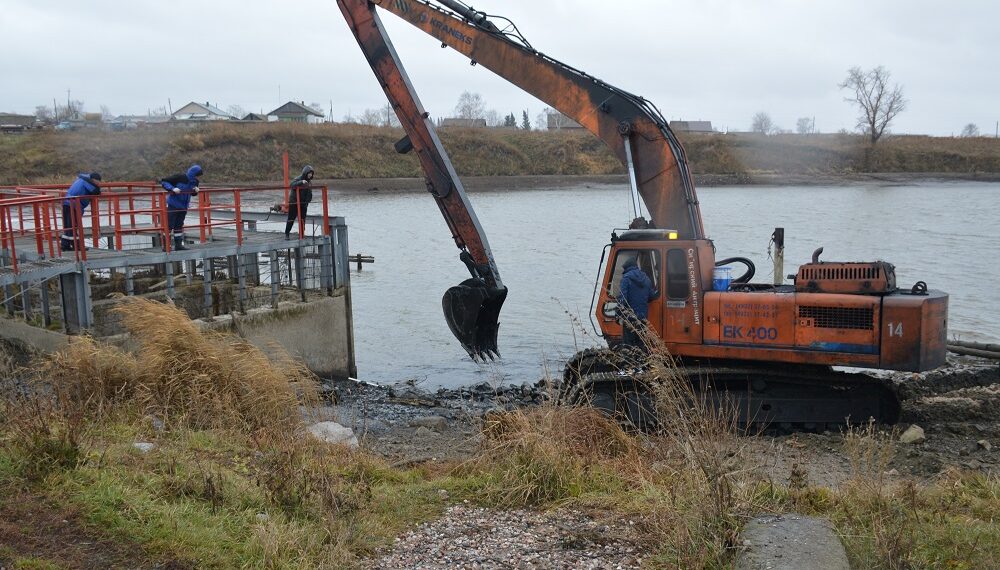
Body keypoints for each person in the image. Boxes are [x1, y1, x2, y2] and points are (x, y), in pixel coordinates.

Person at [158, 164, 202, 251]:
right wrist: (172, 189)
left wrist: (195, 191)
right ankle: (166, 246)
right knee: (169, 225)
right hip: (173, 205)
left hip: (183, 206)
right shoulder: (179, 177)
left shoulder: (195, 182)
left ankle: (178, 245)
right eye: (197, 175)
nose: (198, 178)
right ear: (193, 174)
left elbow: (192, 193)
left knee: (179, 225)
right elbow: (163, 181)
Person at [617, 258, 658, 350]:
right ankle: (642, 362)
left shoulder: (626, 278)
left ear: (626, 268)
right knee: (641, 343)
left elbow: (622, 299)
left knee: (628, 345)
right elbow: (652, 296)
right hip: (642, 318)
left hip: (630, 318)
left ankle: (630, 363)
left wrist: (618, 314)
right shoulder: (646, 279)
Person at [61, 172, 102, 251]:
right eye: (98, 182)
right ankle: (77, 246)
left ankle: (65, 245)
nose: (99, 184)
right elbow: (96, 191)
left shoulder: (81, 179)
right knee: (75, 226)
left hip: (66, 202)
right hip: (73, 205)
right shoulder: (88, 183)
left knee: (69, 226)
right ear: (94, 180)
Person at [285, 165, 314, 239]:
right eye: (309, 173)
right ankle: (287, 234)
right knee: (291, 219)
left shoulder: (309, 182)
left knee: (302, 219)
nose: (310, 175)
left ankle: (302, 234)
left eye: (311, 174)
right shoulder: (298, 178)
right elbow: (291, 185)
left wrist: (307, 202)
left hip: (303, 204)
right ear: (305, 173)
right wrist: (301, 182)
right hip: (294, 202)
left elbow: (309, 194)